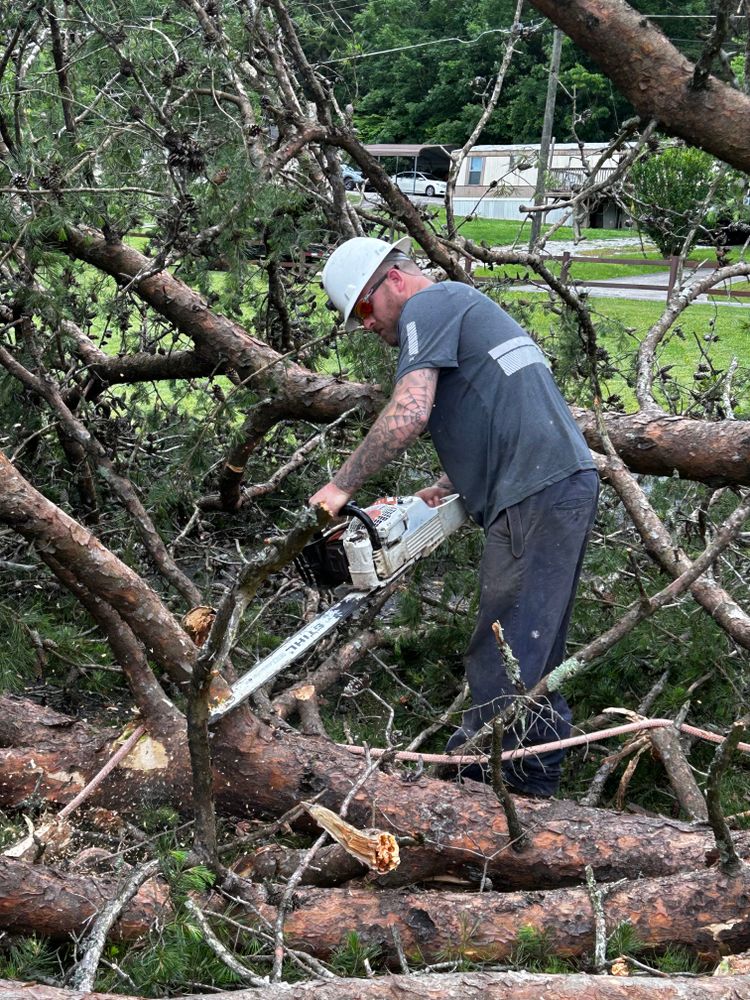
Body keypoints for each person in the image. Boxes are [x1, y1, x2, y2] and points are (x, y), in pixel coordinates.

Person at [309, 236, 598, 797]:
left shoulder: (429, 304)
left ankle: (485, 795)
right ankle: (524, 791)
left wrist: (339, 488)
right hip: (554, 484)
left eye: (364, 307)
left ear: (395, 279)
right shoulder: (464, 306)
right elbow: (498, 409)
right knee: (530, 654)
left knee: (503, 656)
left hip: (536, 492)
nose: (366, 324)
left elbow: (411, 410)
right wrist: (442, 489)